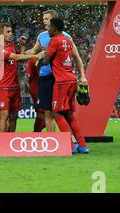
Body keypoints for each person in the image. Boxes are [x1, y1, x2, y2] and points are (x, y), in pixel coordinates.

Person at [25, 10, 88, 132]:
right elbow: (33, 52)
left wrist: (83, 76)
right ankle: (53, 142)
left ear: (53, 20)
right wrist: (20, 52)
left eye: (46, 18)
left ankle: (70, 141)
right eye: (43, 18)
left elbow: (77, 57)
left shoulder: (66, 37)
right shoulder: (42, 36)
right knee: (48, 113)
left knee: (63, 112)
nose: (44, 20)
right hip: (45, 78)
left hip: (60, 79)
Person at [42, 18, 89, 154]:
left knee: (56, 112)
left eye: (49, 27)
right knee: (68, 114)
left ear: (54, 28)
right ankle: (82, 145)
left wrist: (41, 57)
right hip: (71, 79)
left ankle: (70, 145)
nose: (48, 29)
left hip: (61, 82)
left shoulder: (54, 41)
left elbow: (45, 61)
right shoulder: (68, 41)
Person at [0, 23, 42, 132]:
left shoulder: (12, 46)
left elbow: (22, 59)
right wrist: (36, 56)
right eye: (8, 32)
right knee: (4, 116)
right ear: (0, 34)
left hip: (15, 86)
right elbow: (17, 57)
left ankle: (10, 142)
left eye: (11, 31)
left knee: (14, 117)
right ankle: (3, 142)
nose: (11, 34)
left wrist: (22, 46)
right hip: (3, 87)